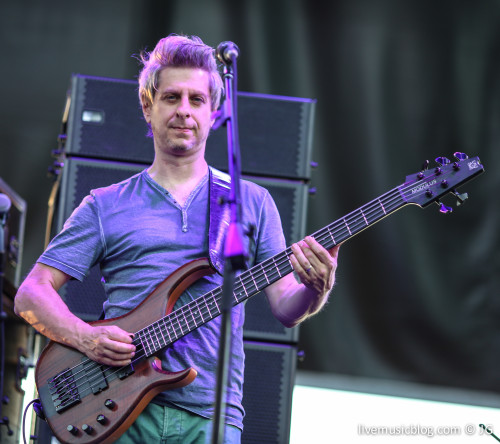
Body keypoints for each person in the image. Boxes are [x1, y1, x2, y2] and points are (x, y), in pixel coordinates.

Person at [14, 34, 340, 443]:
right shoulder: (105, 204)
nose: (184, 111)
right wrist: (86, 336)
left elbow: (287, 309)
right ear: (148, 107)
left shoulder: (251, 201)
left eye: (196, 100)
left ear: (216, 112)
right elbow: (31, 294)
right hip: (118, 410)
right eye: (171, 97)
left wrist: (315, 289)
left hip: (212, 416)